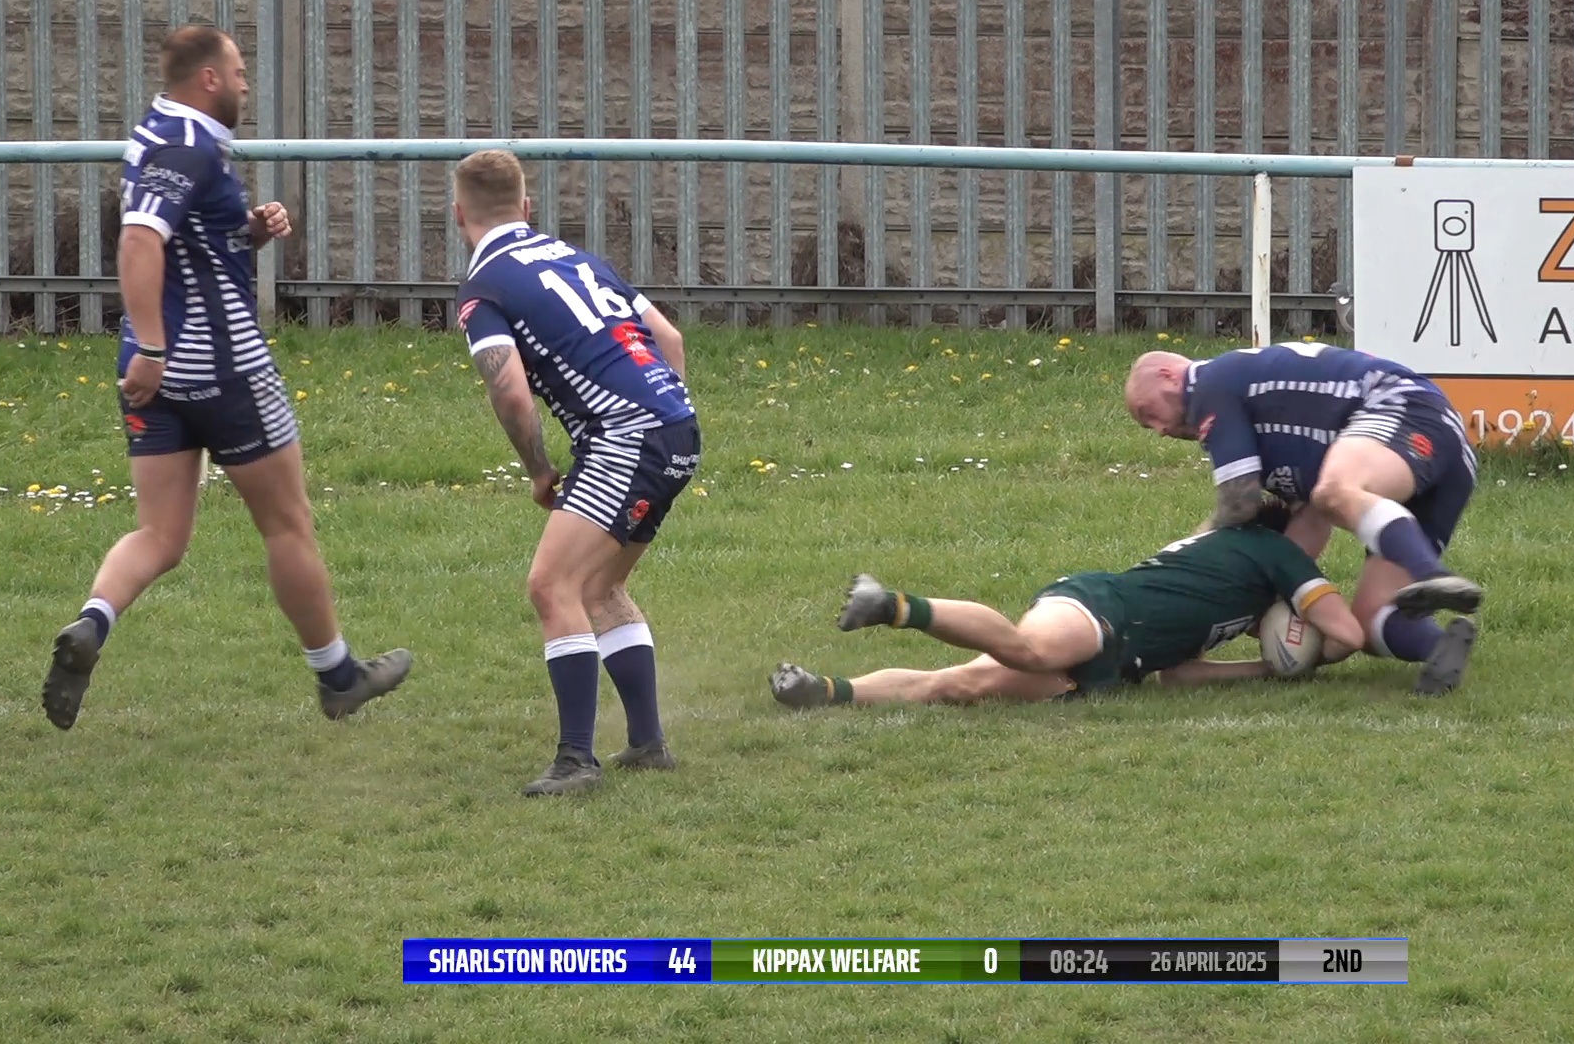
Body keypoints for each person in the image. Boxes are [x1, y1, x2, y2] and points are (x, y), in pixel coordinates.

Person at [41, 25, 411, 731]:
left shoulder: (155, 133)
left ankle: (92, 622)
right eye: (238, 71)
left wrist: (247, 231)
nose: (245, 82)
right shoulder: (188, 146)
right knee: (287, 524)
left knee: (160, 534)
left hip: (152, 373)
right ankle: (338, 676)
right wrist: (157, 345)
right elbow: (140, 241)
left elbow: (183, 242)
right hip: (219, 364)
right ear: (208, 78)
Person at [451, 149, 700, 797]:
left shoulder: (484, 289)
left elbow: (509, 391)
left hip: (624, 436)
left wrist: (538, 470)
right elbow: (669, 340)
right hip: (675, 425)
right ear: (527, 206)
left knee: (550, 584)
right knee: (599, 585)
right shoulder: (579, 259)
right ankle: (647, 743)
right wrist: (666, 415)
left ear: (458, 215)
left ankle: (576, 760)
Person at [1123, 339, 1480, 696]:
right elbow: (1308, 527)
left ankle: (1434, 576)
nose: (1159, 430)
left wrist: (1188, 561)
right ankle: (1441, 647)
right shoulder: (1274, 428)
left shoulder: (1206, 385)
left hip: (1404, 406)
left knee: (1336, 491)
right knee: (1371, 622)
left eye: (1148, 413)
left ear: (1169, 375)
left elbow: (1239, 501)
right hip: (1448, 459)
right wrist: (1275, 595)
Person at [769, 504, 1368, 708]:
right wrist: (1317, 652)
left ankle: (823, 693)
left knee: (961, 686)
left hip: (1116, 665)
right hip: (1103, 607)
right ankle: (894, 604)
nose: (1323, 541)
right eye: (1321, 526)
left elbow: (1179, 675)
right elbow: (1347, 634)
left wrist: (1266, 668)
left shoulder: (1243, 581)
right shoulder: (1275, 552)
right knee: (1029, 650)